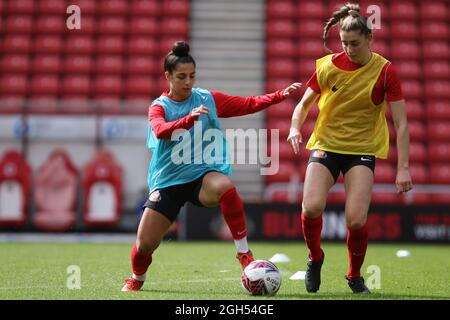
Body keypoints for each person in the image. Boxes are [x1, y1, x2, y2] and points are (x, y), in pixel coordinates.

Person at [122, 41, 302, 292]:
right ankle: (137, 278)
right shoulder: (159, 106)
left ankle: (244, 254)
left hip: (201, 175)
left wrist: (278, 96)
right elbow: (160, 131)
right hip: (169, 181)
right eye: (181, 77)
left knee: (225, 187)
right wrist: (188, 119)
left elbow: (247, 104)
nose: (188, 82)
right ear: (168, 76)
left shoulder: (206, 98)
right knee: (144, 246)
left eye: (192, 76)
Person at [287, 3, 412, 294]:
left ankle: (354, 276)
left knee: (356, 219)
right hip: (327, 145)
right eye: (344, 43)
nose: (349, 49)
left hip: (362, 149)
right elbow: (303, 105)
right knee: (312, 206)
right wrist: (295, 127)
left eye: (355, 43)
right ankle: (315, 257)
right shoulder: (327, 66)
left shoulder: (385, 71)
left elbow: (402, 124)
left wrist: (403, 167)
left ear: (370, 39)